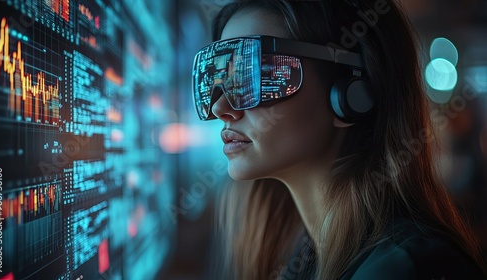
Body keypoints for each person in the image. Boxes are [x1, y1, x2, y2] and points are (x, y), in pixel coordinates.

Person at [191, 0, 487, 279]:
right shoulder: (312, 257)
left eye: (255, 76)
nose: (221, 108)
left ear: (350, 93)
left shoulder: (406, 268)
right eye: (214, 81)